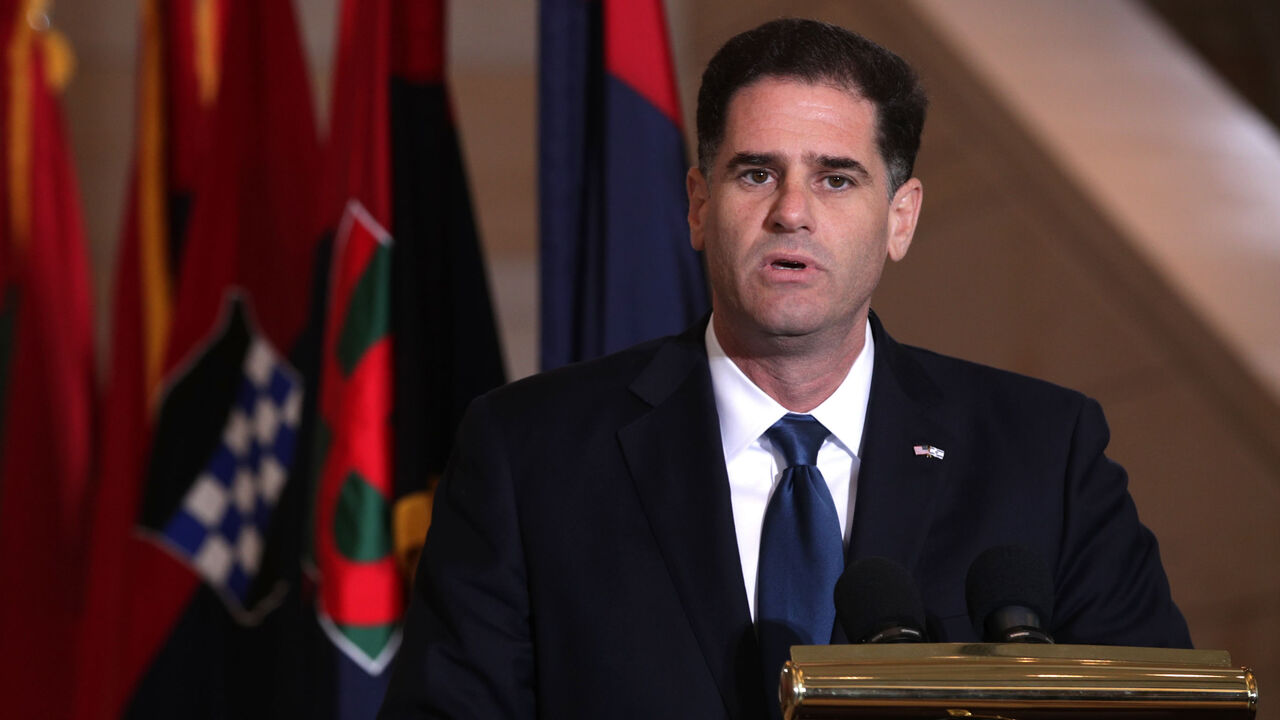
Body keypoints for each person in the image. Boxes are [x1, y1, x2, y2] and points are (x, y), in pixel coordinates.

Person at [378, 18, 1190, 720]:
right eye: (756, 172)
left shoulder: (1045, 454)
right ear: (699, 206)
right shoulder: (532, 453)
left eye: (836, 178)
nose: (791, 211)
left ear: (900, 219)